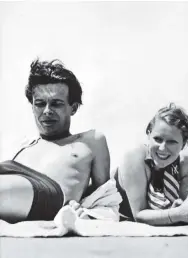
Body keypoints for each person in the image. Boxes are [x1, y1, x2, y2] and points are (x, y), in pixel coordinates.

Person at [0, 59, 111, 223]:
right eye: (39, 104)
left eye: (56, 104)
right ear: (32, 107)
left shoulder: (90, 141)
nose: (47, 111)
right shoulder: (24, 144)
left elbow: (104, 195)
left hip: (47, 192)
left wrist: (84, 210)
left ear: (73, 108)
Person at [113, 103, 188, 226]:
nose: (162, 148)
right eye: (157, 139)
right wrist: (178, 213)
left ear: (183, 144)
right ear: (148, 134)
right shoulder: (135, 157)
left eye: (172, 142)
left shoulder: (187, 162)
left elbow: (178, 207)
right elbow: (139, 215)